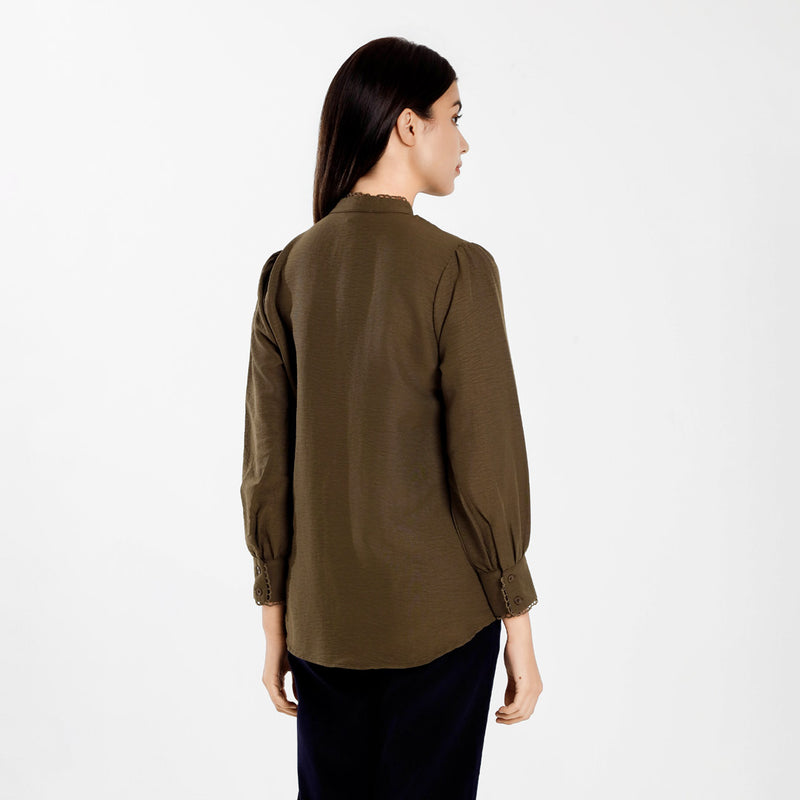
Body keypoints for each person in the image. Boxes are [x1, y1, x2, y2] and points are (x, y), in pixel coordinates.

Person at [240, 35, 543, 800]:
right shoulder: (456, 269)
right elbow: (486, 462)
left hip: (322, 627)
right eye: (454, 117)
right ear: (408, 126)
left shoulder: (287, 272)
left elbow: (267, 469)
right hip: (439, 626)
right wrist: (519, 626)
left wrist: (275, 626)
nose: (463, 141)